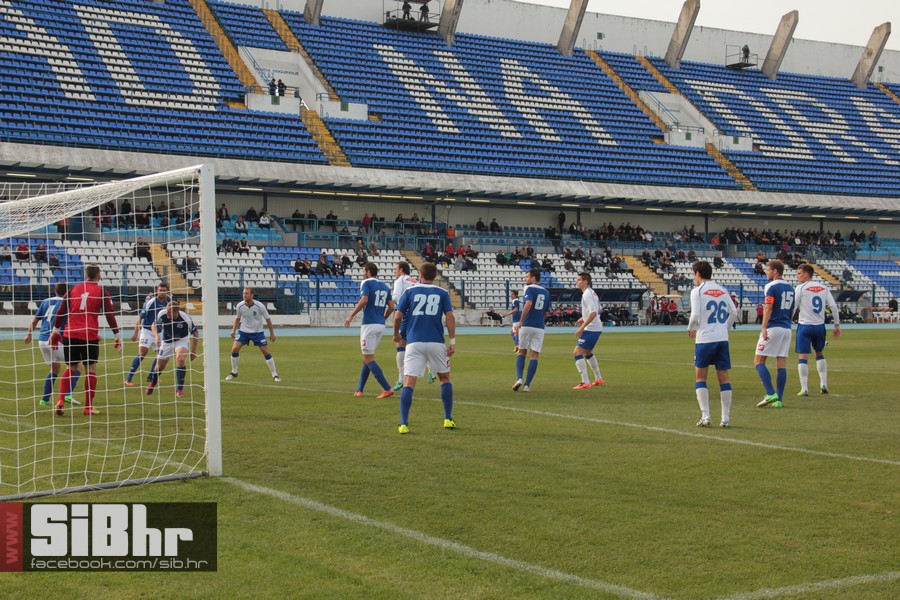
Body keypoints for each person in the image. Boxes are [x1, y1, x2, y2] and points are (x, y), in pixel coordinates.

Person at [50, 264, 122, 416]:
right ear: (99, 277)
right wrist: (117, 335)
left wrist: (56, 330)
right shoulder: (101, 291)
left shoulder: (73, 289)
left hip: (71, 334)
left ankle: (60, 400)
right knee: (90, 370)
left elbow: (61, 311)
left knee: (70, 368)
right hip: (89, 335)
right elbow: (109, 314)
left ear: (85, 276)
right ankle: (88, 406)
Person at [392, 262, 455, 434]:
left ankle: (404, 424)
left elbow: (397, 316)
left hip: (414, 342)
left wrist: (396, 334)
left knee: (408, 383)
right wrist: (452, 341)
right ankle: (448, 419)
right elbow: (450, 317)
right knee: (445, 379)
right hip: (436, 342)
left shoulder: (410, 291)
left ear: (420, 274)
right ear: (435, 275)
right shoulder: (442, 293)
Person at [687, 260, 737, 427]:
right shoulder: (722, 289)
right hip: (722, 339)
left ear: (698, 273)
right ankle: (725, 418)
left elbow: (695, 315)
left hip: (705, 339)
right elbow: (734, 312)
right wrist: (725, 329)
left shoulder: (698, 291)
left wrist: (690, 328)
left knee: (701, 377)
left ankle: (706, 416)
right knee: (724, 378)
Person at [24, 282, 81, 407]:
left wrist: (29, 334)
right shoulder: (68, 302)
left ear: (55, 291)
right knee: (76, 366)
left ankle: (44, 400)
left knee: (55, 369)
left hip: (42, 340)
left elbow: (34, 321)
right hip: (55, 340)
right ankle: (67, 395)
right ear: (68, 292)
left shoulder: (46, 302)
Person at [343, 263, 396, 398]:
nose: (362, 273)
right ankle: (359, 390)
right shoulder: (384, 286)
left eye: (363, 271)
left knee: (368, 357)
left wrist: (351, 315)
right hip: (380, 325)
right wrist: (383, 318)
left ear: (368, 272)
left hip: (369, 324)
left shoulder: (366, 283)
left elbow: (364, 300)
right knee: (367, 357)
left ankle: (387, 388)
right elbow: (391, 306)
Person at [794, 264, 841, 396]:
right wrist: (836, 325)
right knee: (819, 353)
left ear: (806, 274)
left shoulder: (800, 288)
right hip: (820, 326)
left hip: (805, 326)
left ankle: (804, 388)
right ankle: (823, 384)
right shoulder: (823, 287)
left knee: (803, 355)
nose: (797, 276)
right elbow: (833, 306)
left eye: (799, 273)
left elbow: (794, 307)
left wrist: (787, 320)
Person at [754, 260, 794, 408]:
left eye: (768, 270)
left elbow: (768, 307)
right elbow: (792, 309)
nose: (766, 272)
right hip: (786, 328)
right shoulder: (790, 287)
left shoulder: (771, 286)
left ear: (775, 271)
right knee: (781, 363)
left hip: (774, 327)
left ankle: (771, 393)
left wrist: (764, 326)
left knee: (758, 361)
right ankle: (779, 400)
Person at [145, 300, 199, 397]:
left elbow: (196, 333)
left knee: (180, 359)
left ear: (176, 312)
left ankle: (179, 390)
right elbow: (154, 325)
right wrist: (156, 336)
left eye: (169, 312)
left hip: (181, 340)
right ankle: (153, 383)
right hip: (167, 341)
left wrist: (194, 351)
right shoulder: (162, 314)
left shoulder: (185, 318)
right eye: (167, 311)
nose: (167, 313)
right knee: (159, 367)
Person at [225, 287, 280, 382]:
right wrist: (233, 330)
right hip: (244, 331)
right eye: (243, 293)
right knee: (235, 348)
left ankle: (275, 374)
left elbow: (268, 319)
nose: (244, 295)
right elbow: (238, 318)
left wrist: (272, 334)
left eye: (246, 293)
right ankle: (234, 372)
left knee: (265, 351)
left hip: (257, 332)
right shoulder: (240, 306)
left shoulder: (260, 306)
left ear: (252, 295)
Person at [511, 268, 551, 392]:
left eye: (527, 277)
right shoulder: (546, 292)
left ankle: (519, 378)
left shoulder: (529, 288)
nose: (525, 279)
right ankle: (527, 385)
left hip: (527, 325)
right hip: (540, 327)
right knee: (534, 356)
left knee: (522, 352)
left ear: (533, 278)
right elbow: (546, 313)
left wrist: (521, 322)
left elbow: (528, 304)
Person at [125, 283, 170, 386]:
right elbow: (140, 317)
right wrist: (136, 332)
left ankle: (151, 376)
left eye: (164, 290)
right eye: (160, 290)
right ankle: (128, 379)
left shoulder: (167, 304)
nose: (162, 292)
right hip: (147, 331)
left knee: (161, 355)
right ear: (157, 291)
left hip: (158, 332)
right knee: (142, 353)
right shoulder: (151, 302)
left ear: (167, 292)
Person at [571, 272, 604, 389]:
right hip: (595, 327)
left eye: (579, 280)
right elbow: (597, 310)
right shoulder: (591, 292)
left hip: (591, 328)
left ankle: (585, 382)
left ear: (585, 281)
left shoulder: (587, 295)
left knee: (577, 353)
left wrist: (581, 328)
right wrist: (583, 318)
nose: (577, 282)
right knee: (587, 352)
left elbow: (593, 312)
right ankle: (598, 378)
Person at [391, 261, 419, 390]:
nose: (394, 272)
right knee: (418, 341)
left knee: (400, 343)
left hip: (407, 313)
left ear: (401, 270)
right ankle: (432, 368)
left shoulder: (400, 280)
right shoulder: (415, 280)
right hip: (418, 314)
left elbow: (396, 297)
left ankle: (401, 379)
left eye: (396, 269)